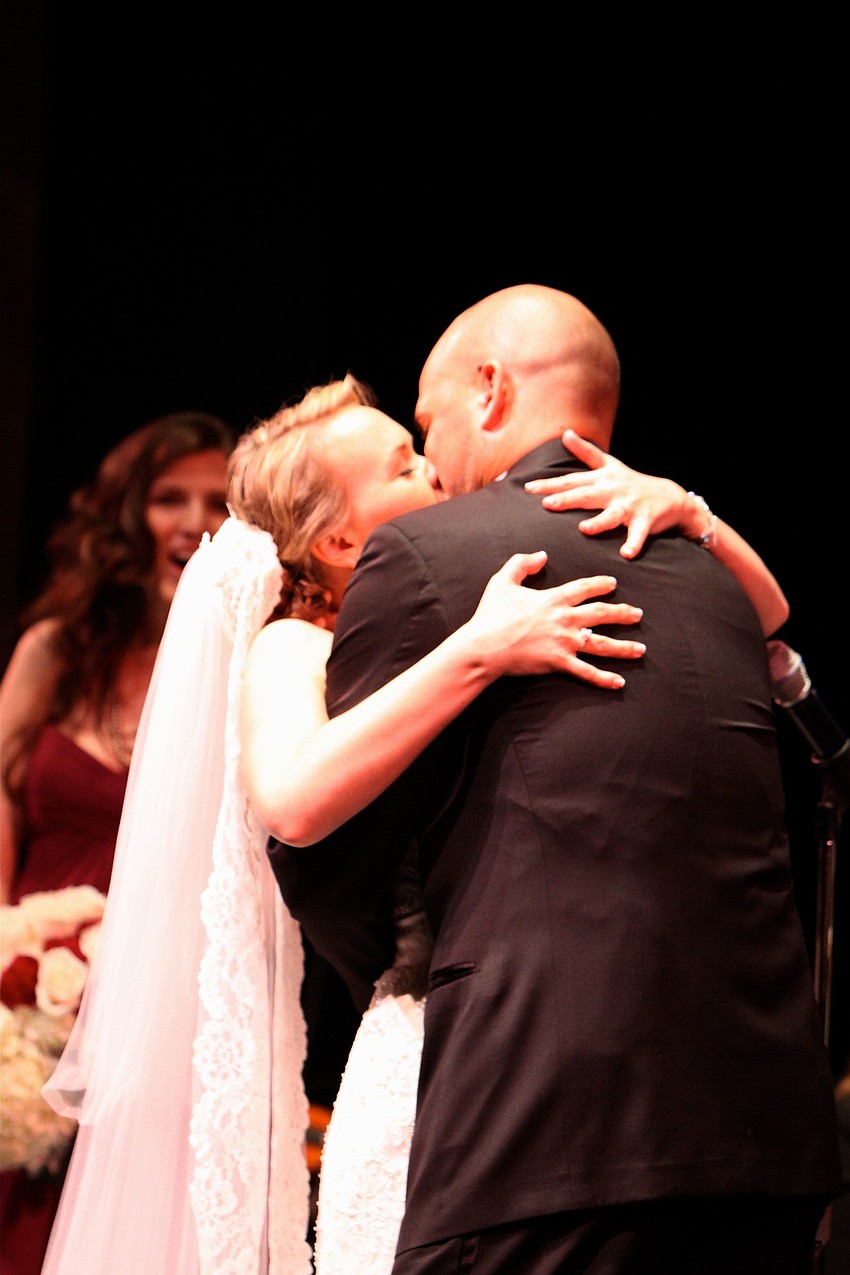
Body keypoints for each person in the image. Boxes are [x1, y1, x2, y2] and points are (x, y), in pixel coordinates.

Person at [37, 372, 787, 1275]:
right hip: (433, 1055)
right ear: (339, 536)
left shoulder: (465, 585)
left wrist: (689, 512)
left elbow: (769, 616)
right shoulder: (293, 645)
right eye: (405, 465)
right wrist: (479, 650)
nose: (435, 470)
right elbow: (294, 799)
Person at [269, 286, 842, 1275]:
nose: (431, 457)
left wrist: (403, 972)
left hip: (545, 1118)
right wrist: (696, 512)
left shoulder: (423, 555)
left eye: (425, 422)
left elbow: (329, 861)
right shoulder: (715, 572)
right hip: (762, 1123)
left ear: (488, 390)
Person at [0, 411, 233, 1275]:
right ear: (124, 517)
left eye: (216, 500)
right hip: (28, 985)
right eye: (168, 497)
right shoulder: (55, 653)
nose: (192, 519)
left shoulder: (245, 661)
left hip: (164, 999)